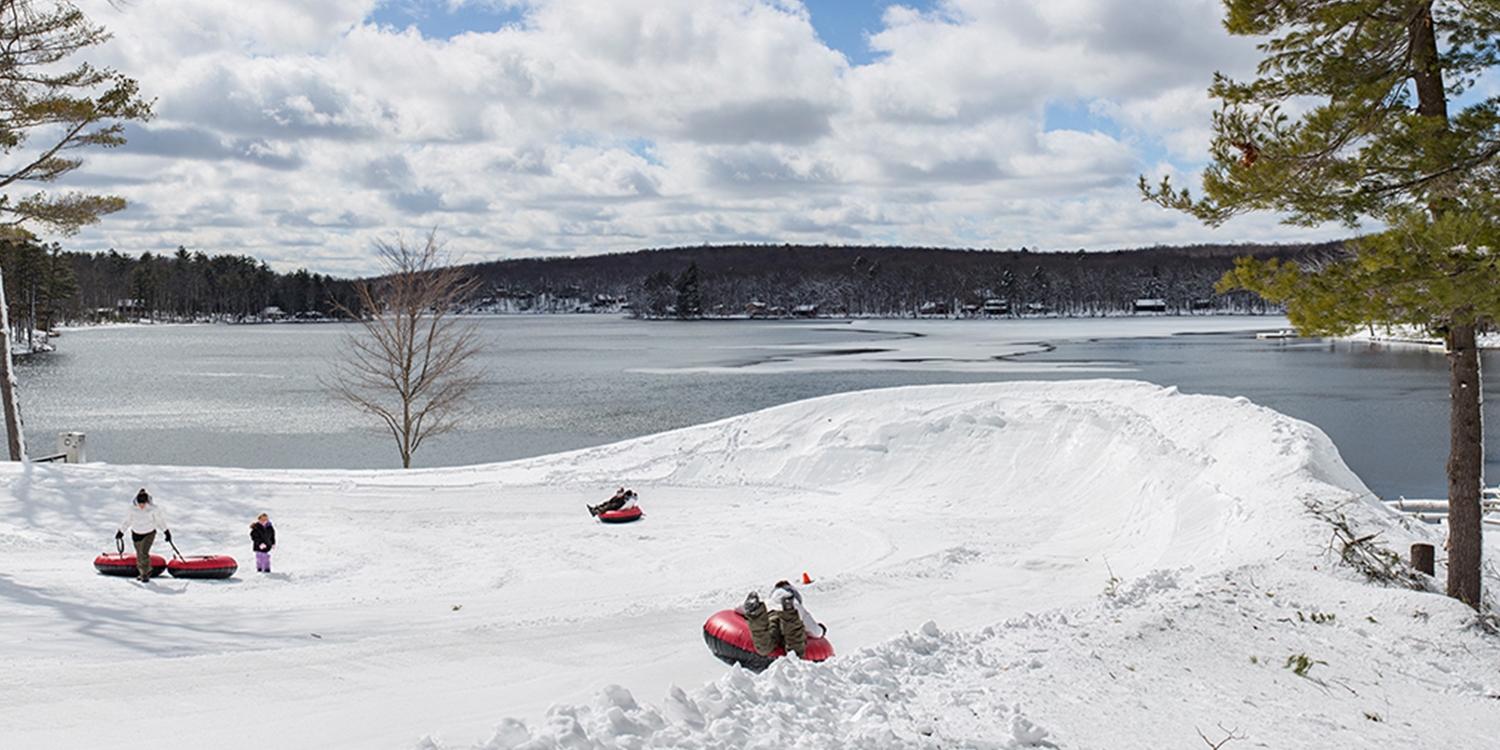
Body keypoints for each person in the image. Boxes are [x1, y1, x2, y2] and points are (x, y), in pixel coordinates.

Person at [743, 580, 825, 659]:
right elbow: (814, 630)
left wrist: (746, 614)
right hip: (793, 618)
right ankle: (789, 612)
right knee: (795, 648)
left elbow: (739, 608)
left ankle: (756, 613)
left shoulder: (768, 602)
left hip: (773, 616)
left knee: (764, 646)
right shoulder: (798, 606)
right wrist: (822, 630)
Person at [115, 489, 170, 582]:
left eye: (143, 503)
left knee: (144, 553)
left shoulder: (153, 509)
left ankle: (145, 574)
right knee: (139, 555)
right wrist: (121, 532)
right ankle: (142, 572)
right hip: (136, 533)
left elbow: (159, 520)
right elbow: (127, 521)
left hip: (149, 533)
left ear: (147, 502)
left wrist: (166, 532)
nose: (142, 506)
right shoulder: (132, 509)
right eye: (140, 503)